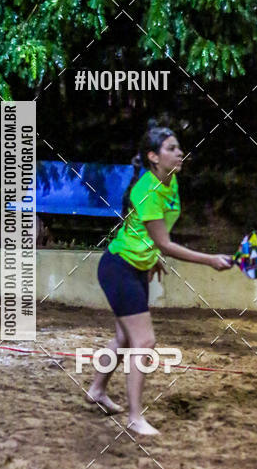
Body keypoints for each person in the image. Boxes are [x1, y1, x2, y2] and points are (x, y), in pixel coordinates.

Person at [87, 124, 232, 434]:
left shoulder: (171, 181)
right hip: (119, 268)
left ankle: (97, 390)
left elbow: (151, 235)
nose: (180, 152)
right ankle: (135, 417)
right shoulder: (148, 190)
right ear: (153, 157)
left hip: (136, 265)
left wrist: (152, 258)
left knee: (126, 339)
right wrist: (210, 260)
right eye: (171, 148)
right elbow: (165, 242)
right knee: (145, 341)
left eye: (179, 147)